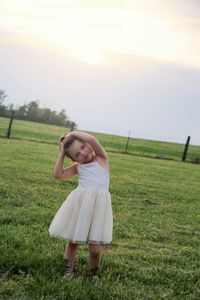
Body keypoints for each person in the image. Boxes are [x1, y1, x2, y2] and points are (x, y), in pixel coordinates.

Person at [49, 131, 113, 279]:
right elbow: (58, 175)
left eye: (84, 147)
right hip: (81, 207)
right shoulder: (78, 167)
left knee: (95, 249)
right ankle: (69, 270)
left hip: (98, 209)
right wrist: (62, 154)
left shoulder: (102, 159)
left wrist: (71, 134)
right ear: (73, 159)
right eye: (77, 154)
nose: (83, 153)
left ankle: (93, 273)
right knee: (73, 242)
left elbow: (91, 138)